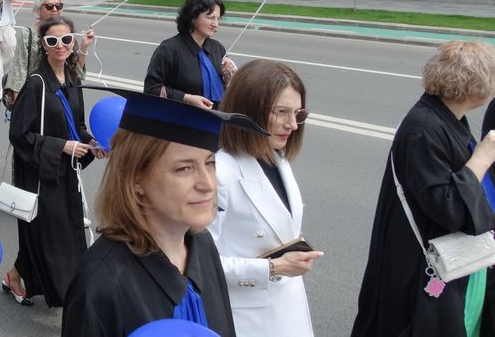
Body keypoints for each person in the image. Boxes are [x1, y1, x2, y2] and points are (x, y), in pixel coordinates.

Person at [62, 88, 269, 336]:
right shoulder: (99, 285)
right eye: (184, 169)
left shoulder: (203, 247)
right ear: (136, 177)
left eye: (210, 163)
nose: (208, 184)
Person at [352, 41, 495, 337]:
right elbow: (450, 208)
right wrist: (482, 158)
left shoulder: (446, 117)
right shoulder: (424, 128)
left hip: (440, 261)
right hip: (420, 266)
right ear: (474, 82)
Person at [207, 60, 322, 336]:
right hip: (247, 318)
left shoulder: (277, 158)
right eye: (282, 112)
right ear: (250, 110)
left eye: (298, 113)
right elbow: (201, 261)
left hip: (288, 311)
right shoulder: (220, 172)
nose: (292, 124)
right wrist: (272, 267)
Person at [6, 16, 107, 307]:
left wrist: (91, 143)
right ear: (44, 45)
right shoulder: (35, 83)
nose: (60, 45)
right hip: (41, 171)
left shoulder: (73, 79)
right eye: (52, 40)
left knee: (59, 232)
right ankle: (69, 296)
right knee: (50, 236)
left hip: (65, 170)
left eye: (66, 39)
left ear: (73, 42)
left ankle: (16, 275)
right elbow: (19, 134)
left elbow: (77, 124)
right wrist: (62, 146)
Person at [143, 0, 236, 109]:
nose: (215, 24)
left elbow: (224, 92)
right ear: (193, 18)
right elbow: (151, 89)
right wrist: (187, 98)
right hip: (180, 116)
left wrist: (229, 79)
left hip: (215, 117)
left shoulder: (218, 48)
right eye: (210, 18)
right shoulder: (169, 49)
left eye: (218, 19)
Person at [4, 0, 94, 107]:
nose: (55, 10)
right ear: (38, 10)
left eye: (58, 6)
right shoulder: (28, 34)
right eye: (49, 6)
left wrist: (84, 46)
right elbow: (18, 74)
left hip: (60, 96)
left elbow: (76, 73)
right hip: (35, 95)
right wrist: (21, 108)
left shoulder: (64, 32)